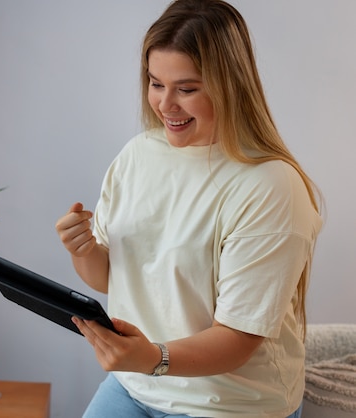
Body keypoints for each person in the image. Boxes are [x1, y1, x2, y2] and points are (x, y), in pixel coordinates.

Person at [55, 1, 323, 417]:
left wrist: (152, 358)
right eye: (155, 83)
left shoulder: (271, 186)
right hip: (136, 386)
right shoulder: (138, 155)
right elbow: (112, 280)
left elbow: (238, 337)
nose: (165, 104)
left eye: (187, 88)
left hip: (231, 404)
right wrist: (84, 250)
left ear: (231, 84)